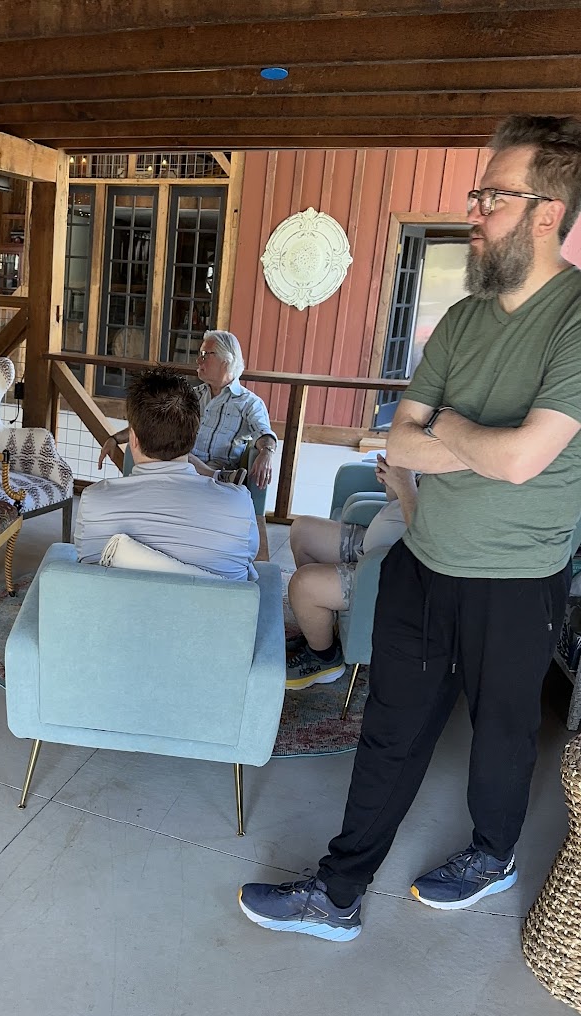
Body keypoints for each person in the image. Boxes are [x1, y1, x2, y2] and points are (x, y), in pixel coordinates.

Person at [240, 115, 581, 942]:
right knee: (390, 732)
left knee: (502, 738)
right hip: (424, 562)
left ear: (546, 212)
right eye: (477, 194)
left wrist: (450, 432)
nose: (474, 210)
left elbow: (522, 460)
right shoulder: (462, 320)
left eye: (493, 196)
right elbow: (398, 441)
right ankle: (338, 893)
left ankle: (493, 853)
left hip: (517, 578)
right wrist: (473, 438)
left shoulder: (576, 320)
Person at [97, 331, 278, 558]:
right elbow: (151, 424)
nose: (198, 360)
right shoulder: (191, 395)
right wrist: (115, 438)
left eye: (205, 354)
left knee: (179, 458)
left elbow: (264, 433)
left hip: (214, 465)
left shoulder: (249, 403)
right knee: (174, 454)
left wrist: (266, 452)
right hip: (181, 464)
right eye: (199, 354)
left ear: (226, 360)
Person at [71, 368, 260, 581]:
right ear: (193, 436)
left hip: (113, 602)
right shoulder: (238, 503)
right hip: (217, 603)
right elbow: (246, 563)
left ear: (133, 439)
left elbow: (85, 563)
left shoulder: (94, 500)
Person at [283, 457, 418, 689]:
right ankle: (319, 631)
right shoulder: (441, 463)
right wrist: (393, 482)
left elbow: (428, 540)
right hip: (374, 545)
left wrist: (405, 484)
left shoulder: (466, 481)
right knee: (302, 531)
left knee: (303, 585)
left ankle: (324, 658)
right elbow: (399, 503)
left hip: (389, 569)